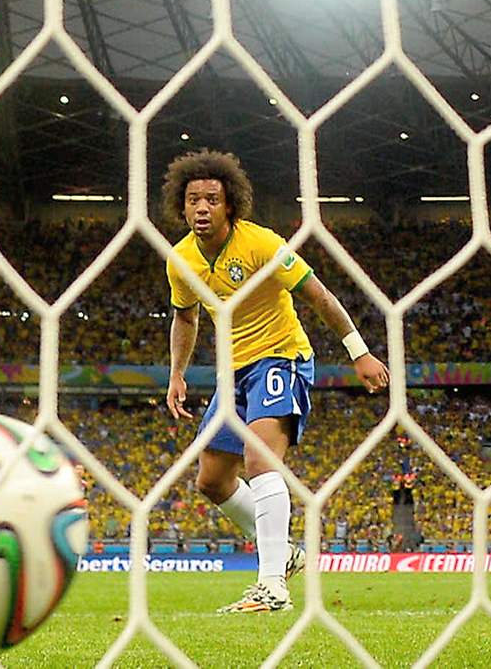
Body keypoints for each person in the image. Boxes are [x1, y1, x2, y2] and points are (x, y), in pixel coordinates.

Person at [161, 150, 388, 613]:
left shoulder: (263, 244)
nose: (201, 208)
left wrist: (358, 352)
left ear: (230, 205)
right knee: (212, 478)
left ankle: (272, 587)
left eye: (211, 199)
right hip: (233, 372)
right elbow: (185, 319)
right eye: (192, 200)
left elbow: (318, 295)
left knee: (260, 461)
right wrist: (177, 372)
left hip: (280, 358)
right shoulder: (180, 259)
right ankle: (282, 553)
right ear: (180, 208)